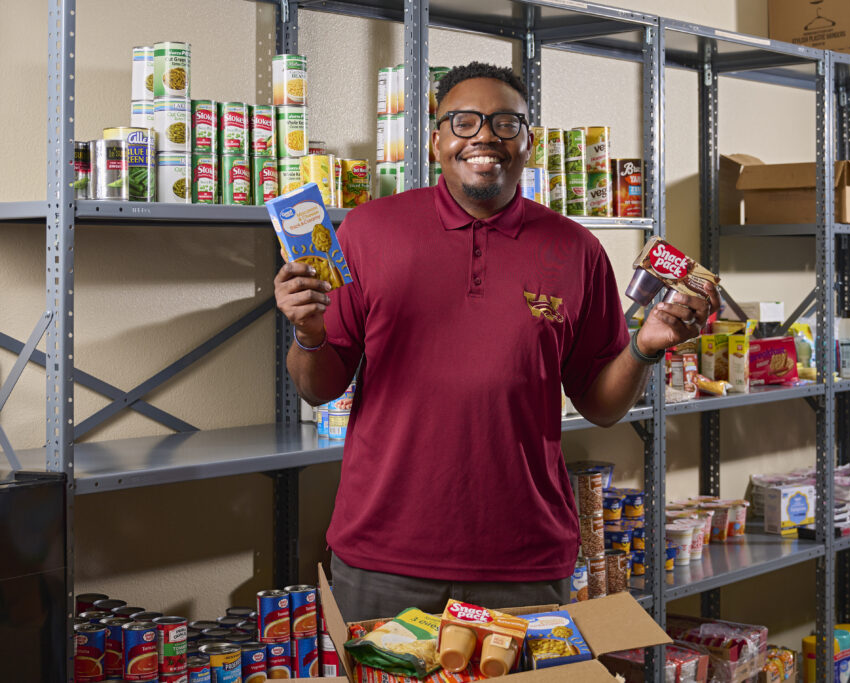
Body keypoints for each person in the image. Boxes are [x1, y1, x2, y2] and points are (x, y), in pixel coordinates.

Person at [274, 61, 719, 621]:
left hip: (525, 559)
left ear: (529, 142)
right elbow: (319, 387)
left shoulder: (576, 250)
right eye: (463, 122)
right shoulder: (367, 231)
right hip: (384, 554)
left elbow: (601, 406)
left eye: (506, 123)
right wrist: (309, 333)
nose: (484, 135)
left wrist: (645, 346)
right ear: (436, 139)